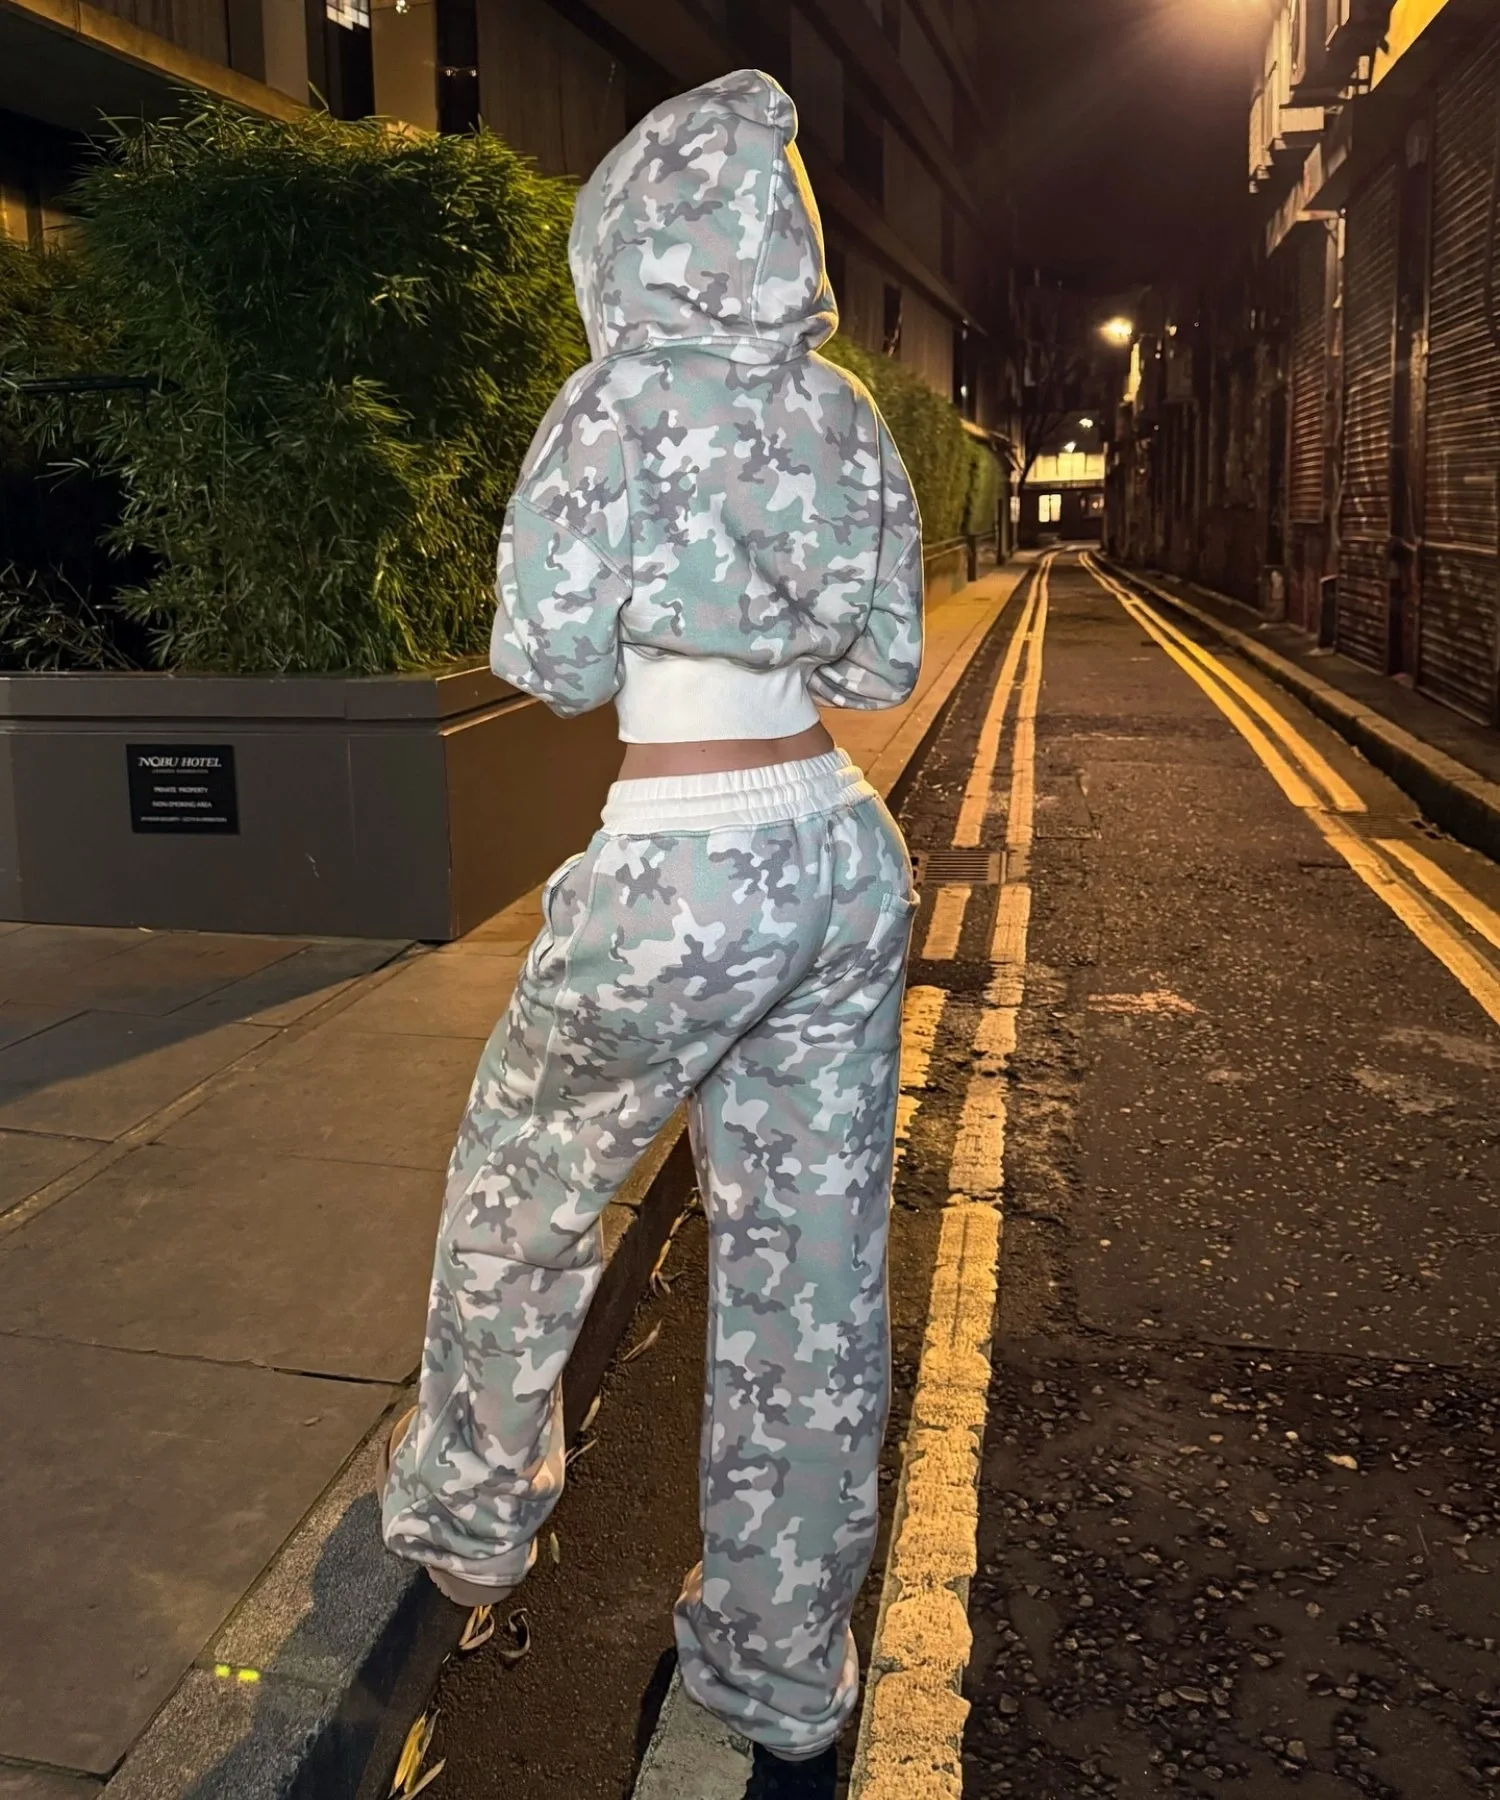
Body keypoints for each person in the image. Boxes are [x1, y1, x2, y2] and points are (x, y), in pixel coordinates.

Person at [380, 67, 923, 1787]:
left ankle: (470, 1526)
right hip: (837, 848)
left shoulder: (608, 407)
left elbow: (546, 661)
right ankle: (780, 1666)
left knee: (524, 1190)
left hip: (681, 863)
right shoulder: (844, 413)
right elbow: (883, 664)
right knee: (810, 1270)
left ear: (624, 234)